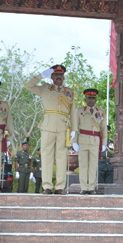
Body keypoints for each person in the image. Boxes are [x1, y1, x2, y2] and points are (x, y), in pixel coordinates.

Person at [25, 65, 78, 194]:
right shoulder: (44, 88)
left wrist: (74, 130)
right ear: (52, 76)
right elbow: (28, 86)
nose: (58, 77)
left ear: (63, 77)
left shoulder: (69, 92)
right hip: (47, 126)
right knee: (47, 156)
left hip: (63, 126)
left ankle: (60, 187)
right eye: (55, 74)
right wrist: (41, 76)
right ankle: (47, 186)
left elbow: (73, 112)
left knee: (61, 157)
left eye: (60, 75)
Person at [73, 88, 107, 195]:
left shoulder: (101, 112)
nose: (91, 100)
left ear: (96, 99)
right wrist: (74, 141)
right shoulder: (80, 111)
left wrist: (104, 144)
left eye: (93, 98)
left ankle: (91, 188)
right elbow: (75, 126)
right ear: (85, 99)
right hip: (82, 140)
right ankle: (84, 187)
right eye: (89, 98)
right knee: (83, 165)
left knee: (93, 165)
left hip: (95, 141)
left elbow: (104, 129)